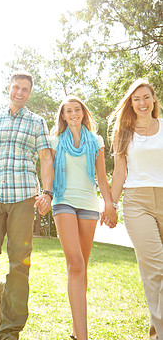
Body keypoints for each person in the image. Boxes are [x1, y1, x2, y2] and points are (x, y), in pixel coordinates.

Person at [0, 71, 54, 340]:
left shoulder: (37, 122)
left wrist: (47, 193)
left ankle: (10, 329)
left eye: (25, 89)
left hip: (23, 197)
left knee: (19, 264)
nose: (20, 92)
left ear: (30, 92)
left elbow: (45, 159)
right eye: (16, 87)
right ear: (9, 88)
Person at [51, 95, 115, 340]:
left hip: (88, 204)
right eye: (69, 111)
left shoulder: (95, 140)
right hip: (63, 200)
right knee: (75, 264)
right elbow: (49, 167)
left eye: (77, 110)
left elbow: (101, 176)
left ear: (83, 113)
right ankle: (84, 337)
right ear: (63, 116)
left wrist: (109, 204)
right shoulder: (55, 139)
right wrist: (46, 193)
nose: (74, 114)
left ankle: (77, 330)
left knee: (81, 269)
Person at [106, 78, 163, 340]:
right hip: (137, 202)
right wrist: (110, 205)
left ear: (154, 99)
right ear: (131, 103)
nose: (142, 103)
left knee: (157, 275)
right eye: (136, 99)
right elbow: (119, 173)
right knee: (155, 270)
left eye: (146, 97)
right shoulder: (124, 133)